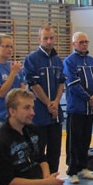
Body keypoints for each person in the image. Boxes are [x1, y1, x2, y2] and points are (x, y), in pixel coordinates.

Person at [23, 25, 65, 174]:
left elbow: (61, 82)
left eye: (51, 38)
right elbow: (34, 85)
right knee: (38, 151)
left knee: (54, 151)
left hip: (55, 115)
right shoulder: (31, 59)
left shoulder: (57, 60)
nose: (49, 41)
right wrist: (49, 104)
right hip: (38, 115)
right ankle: (39, 181)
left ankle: (53, 178)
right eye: (45, 38)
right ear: (39, 39)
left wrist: (56, 102)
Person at [63, 31, 93, 184]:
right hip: (77, 108)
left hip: (90, 110)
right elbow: (73, 84)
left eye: (86, 42)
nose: (84, 44)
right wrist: (88, 98)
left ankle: (83, 167)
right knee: (74, 140)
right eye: (81, 42)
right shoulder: (69, 61)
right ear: (74, 44)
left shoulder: (92, 61)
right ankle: (72, 170)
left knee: (86, 139)